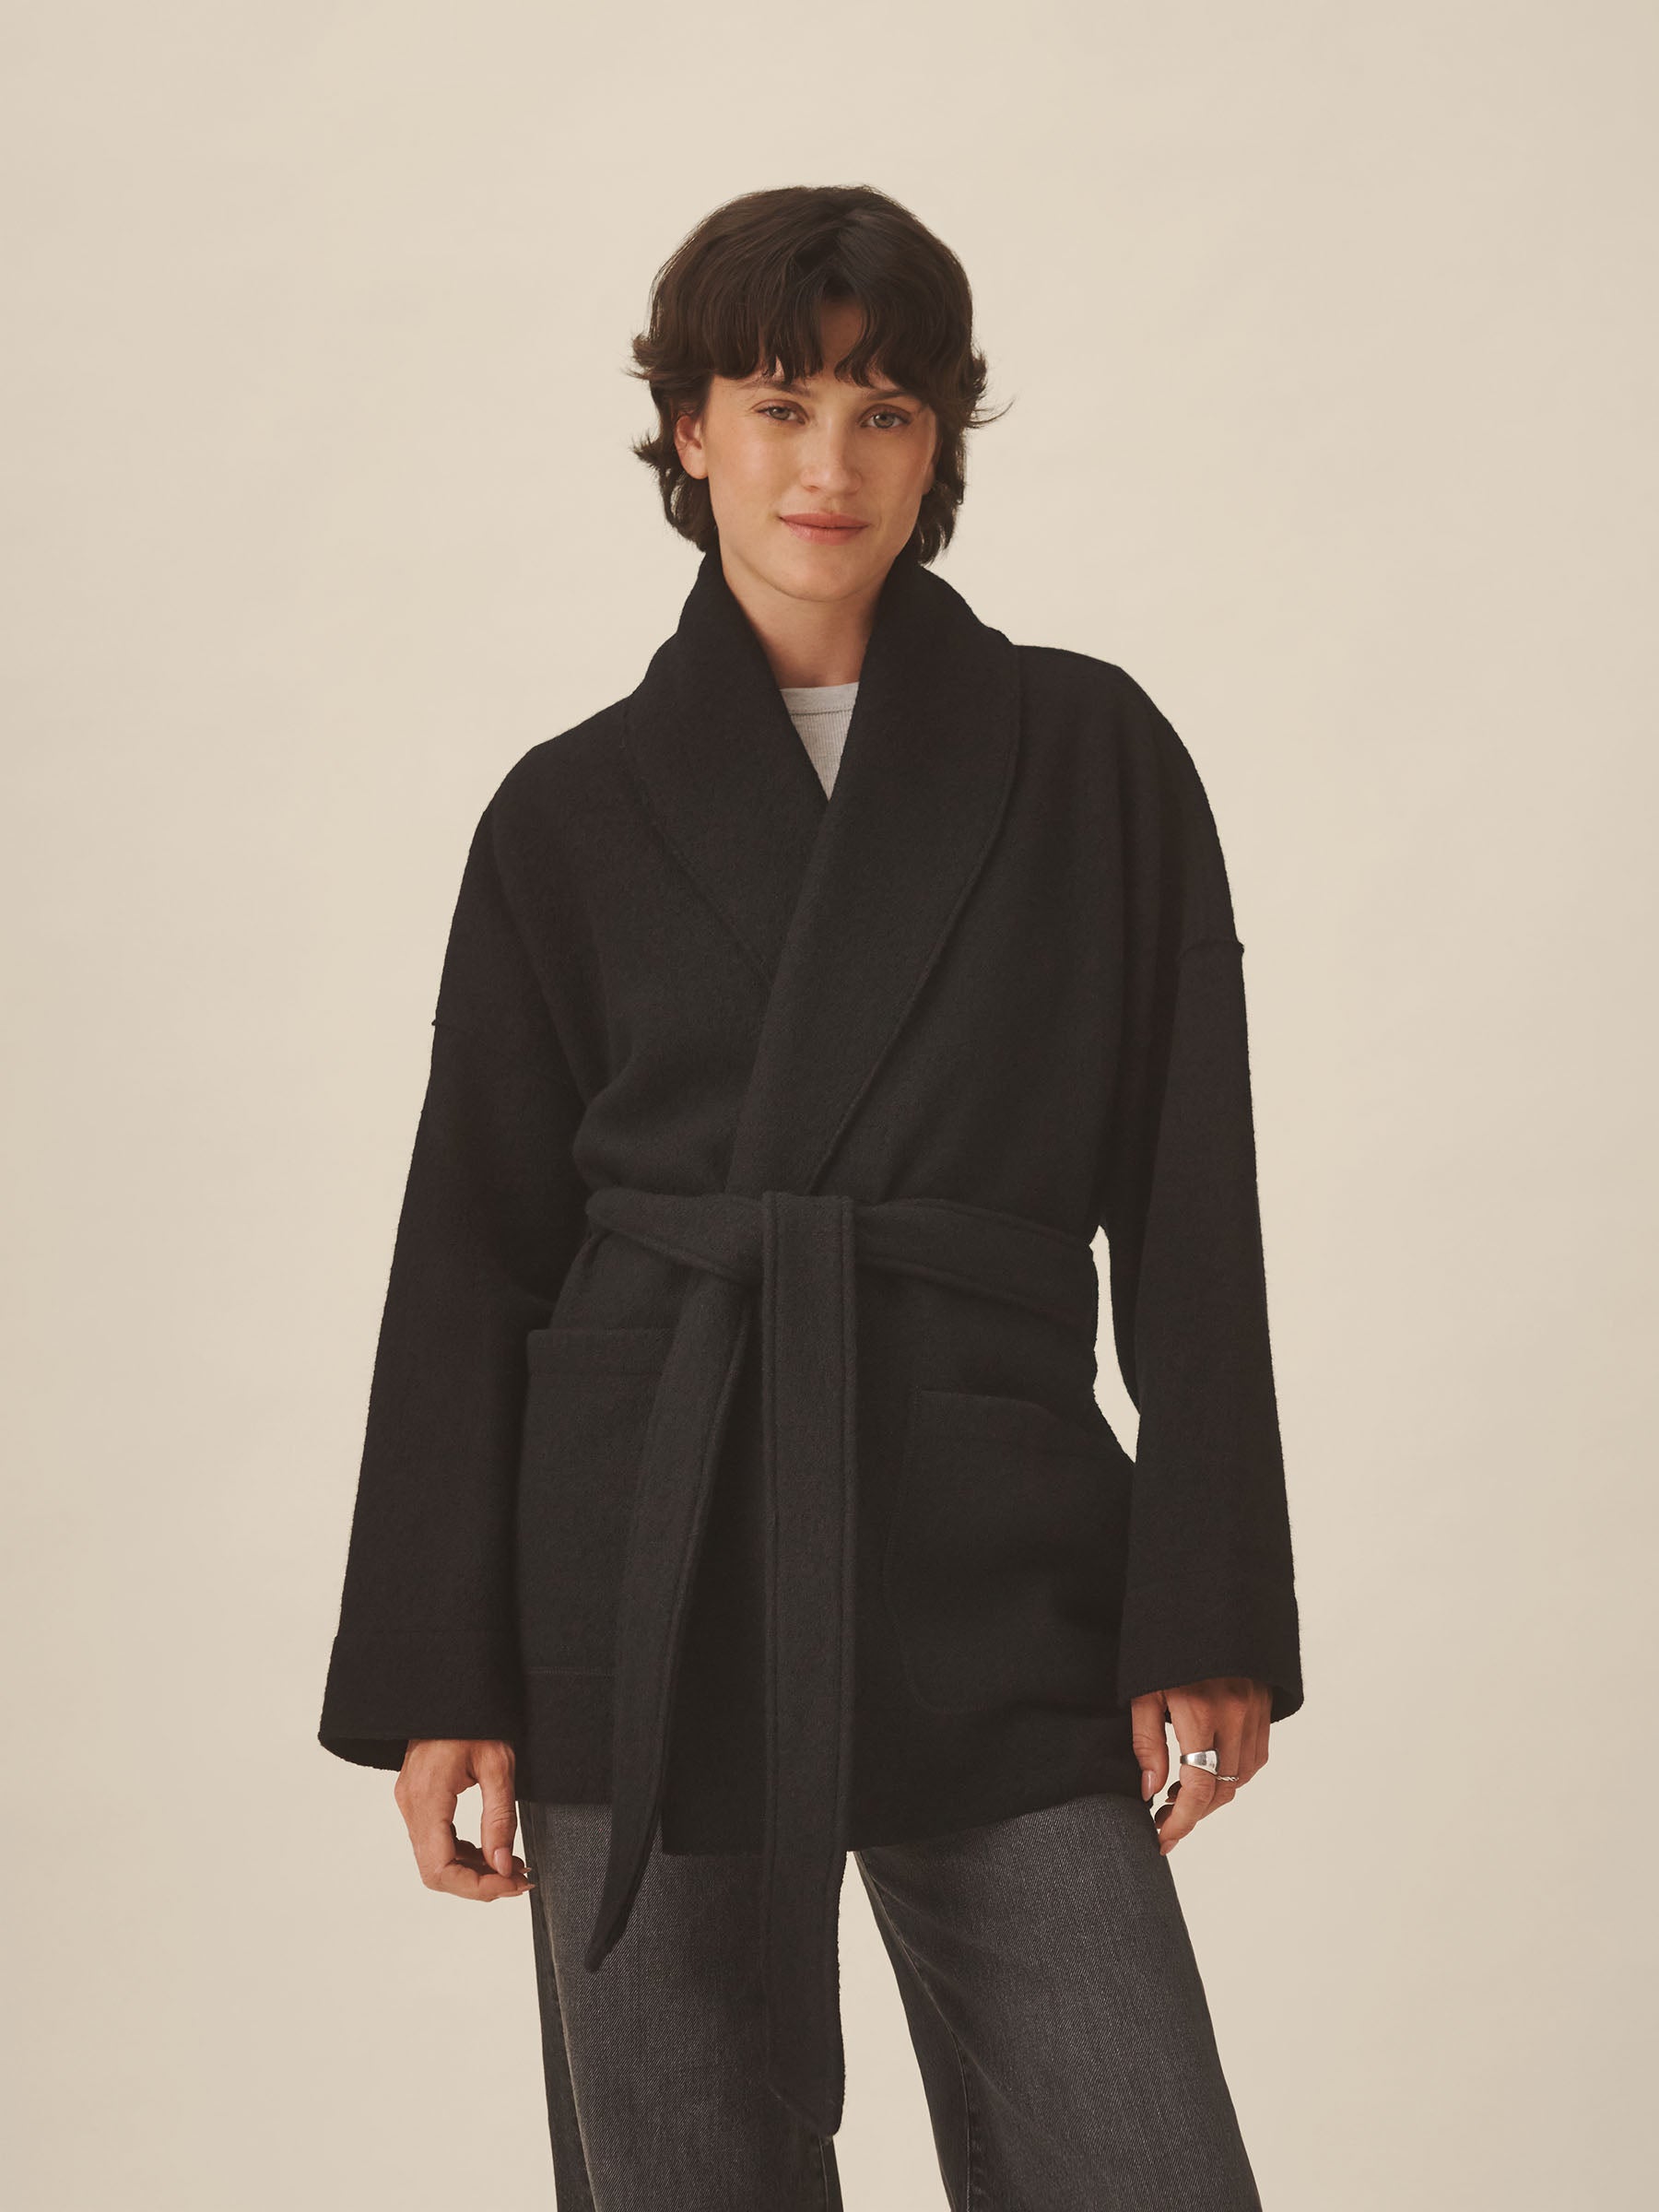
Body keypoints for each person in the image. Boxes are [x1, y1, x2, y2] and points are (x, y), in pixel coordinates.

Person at [319, 182, 1303, 2211]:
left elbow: (1191, 1200)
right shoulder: (565, 812)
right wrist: (444, 1674)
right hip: (644, 1563)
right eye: (778, 406)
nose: (828, 465)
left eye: (882, 411)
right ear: (690, 431)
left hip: (990, 1537)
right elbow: (475, 1249)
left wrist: (1204, 1602)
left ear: (940, 447)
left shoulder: (1090, 754)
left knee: (1143, 2162)